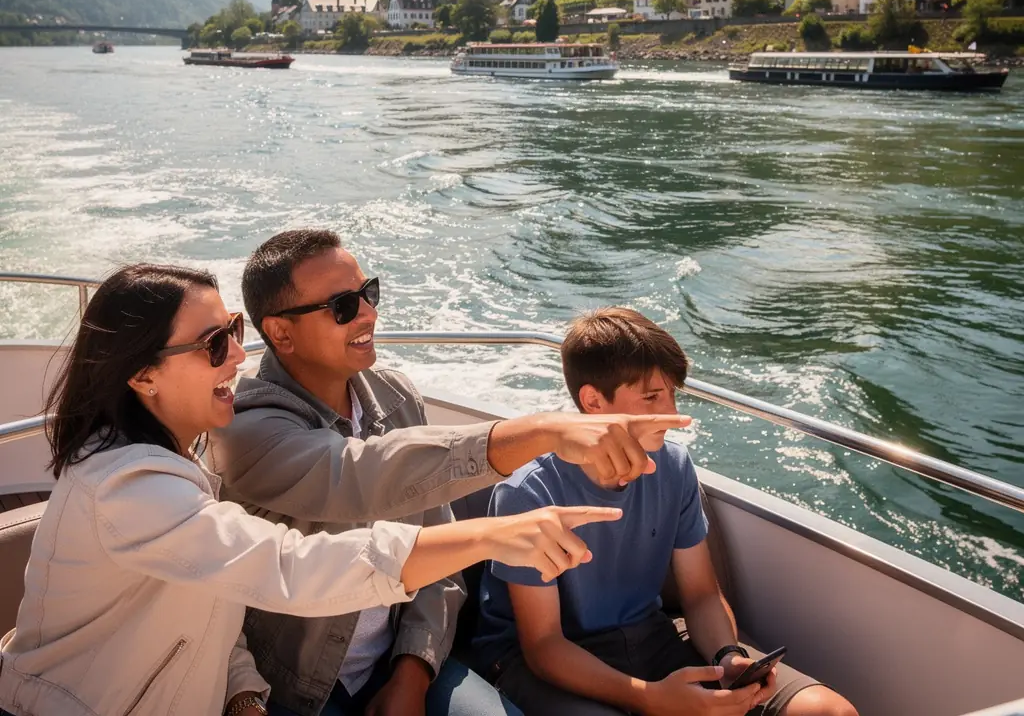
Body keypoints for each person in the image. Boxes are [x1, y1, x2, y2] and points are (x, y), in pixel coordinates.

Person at [0, 264, 629, 716]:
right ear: (142, 374)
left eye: (235, 332)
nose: (236, 359)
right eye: (215, 344)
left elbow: (212, 607)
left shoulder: (184, 457)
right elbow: (289, 565)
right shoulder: (128, 489)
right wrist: (494, 532)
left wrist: (243, 693)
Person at [208, 230, 688, 716]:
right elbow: (364, 476)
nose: (369, 313)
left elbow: (440, 557)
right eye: (343, 306)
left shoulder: (395, 398)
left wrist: (413, 672)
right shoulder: (247, 427)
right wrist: (545, 433)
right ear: (281, 332)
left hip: (398, 656)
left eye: (368, 293)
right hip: (294, 682)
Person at [474, 307, 860, 716]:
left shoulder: (674, 467)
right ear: (593, 401)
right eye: (653, 397)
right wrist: (651, 698)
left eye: (673, 392)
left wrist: (726, 660)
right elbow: (543, 646)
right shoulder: (527, 492)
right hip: (550, 663)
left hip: (651, 637)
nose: (674, 414)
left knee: (829, 712)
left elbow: (700, 594)